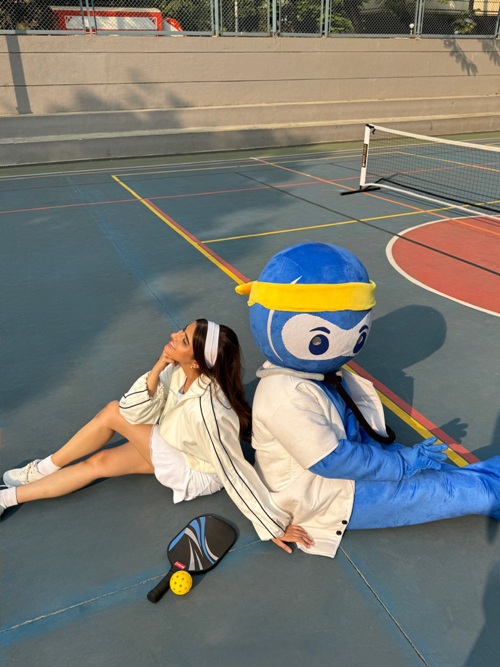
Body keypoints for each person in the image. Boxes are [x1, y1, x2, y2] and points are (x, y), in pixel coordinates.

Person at [236, 242, 500, 558]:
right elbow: (332, 460)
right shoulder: (284, 395)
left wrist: (401, 459)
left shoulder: (322, 374)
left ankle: (491, 474)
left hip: (348, 471)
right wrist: (402, 463)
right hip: (324, 496)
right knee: (439, 491)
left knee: (438, 474)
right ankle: (491, 492)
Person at [0, 319, 312, 554]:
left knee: (110, 413)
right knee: (99, 462)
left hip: (193, 470)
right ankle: (6, 498)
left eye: (183, 339)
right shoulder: (179, 370)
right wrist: (159, 364)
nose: (174, 335)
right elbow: (135, 411)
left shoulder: (210, 412)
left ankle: (43, 468)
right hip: (175, 444)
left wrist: (271, 524)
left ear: (196, 362)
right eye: (182, 331)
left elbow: (233, 471)